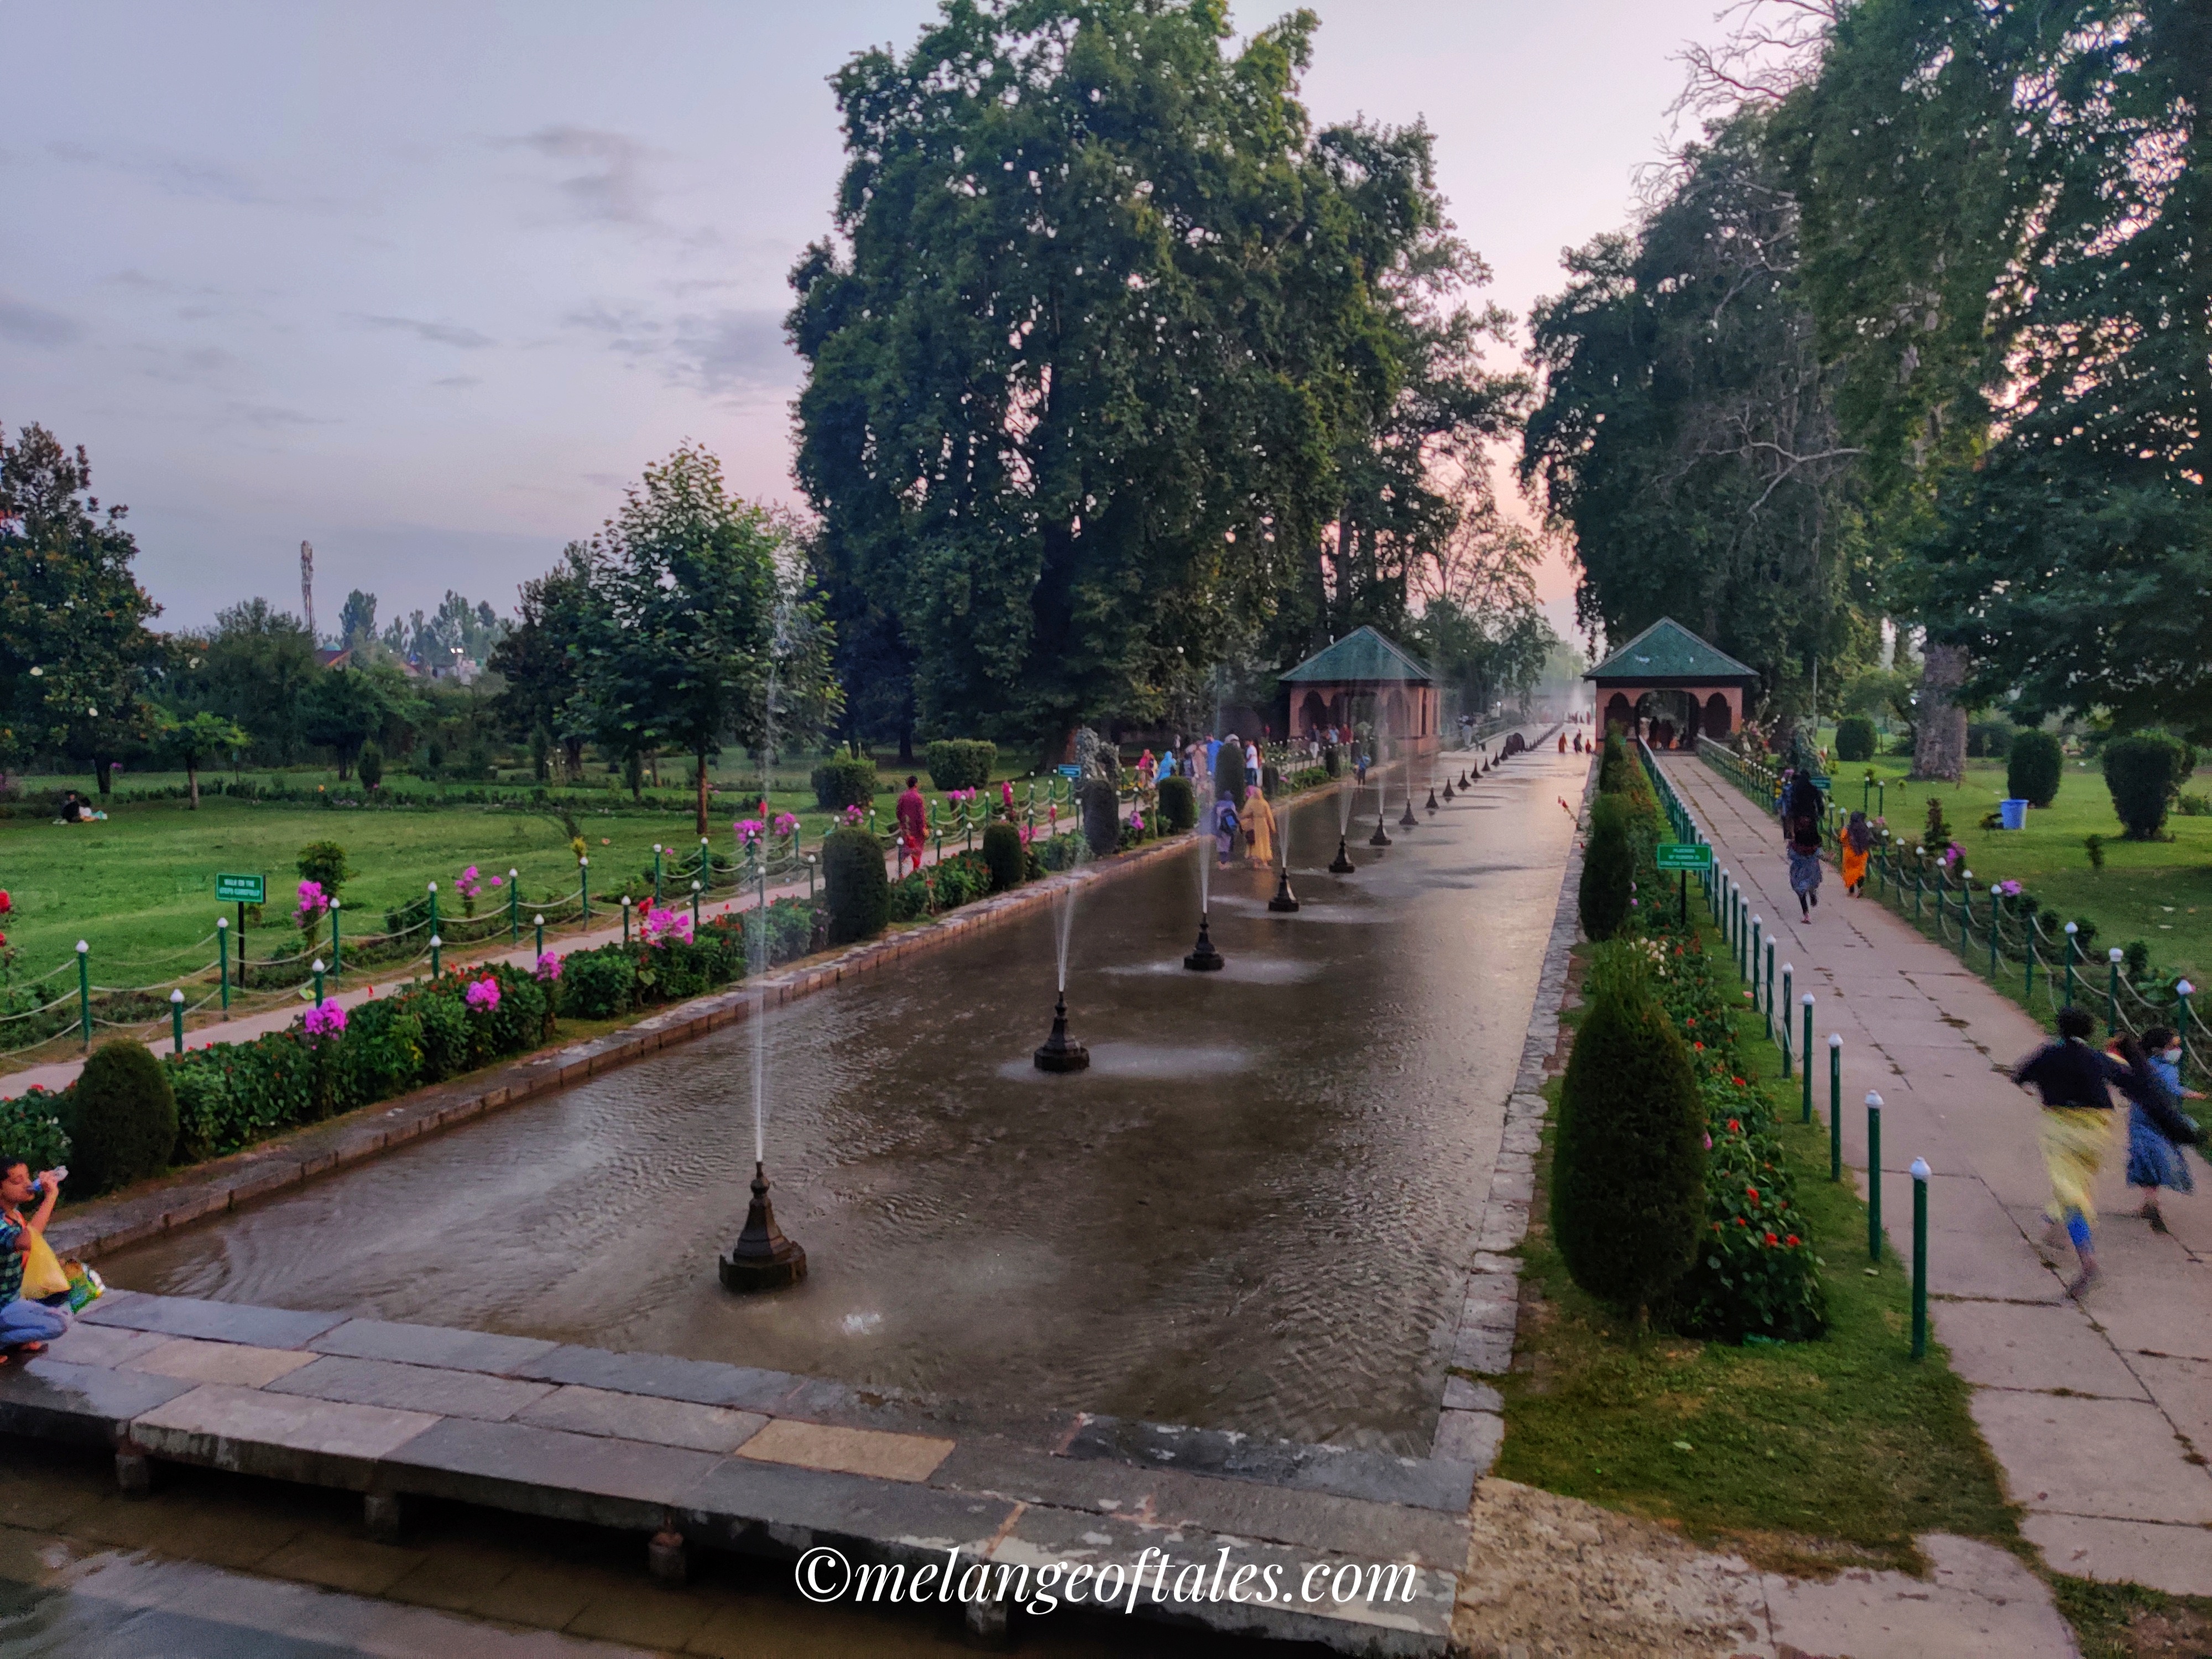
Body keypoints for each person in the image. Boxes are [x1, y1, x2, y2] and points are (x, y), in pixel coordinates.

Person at [2015, 1005, 2128, 1295]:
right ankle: (2052, 1229)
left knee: (2070, 1191)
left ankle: (2088, 1262)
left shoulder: (2050, 1054)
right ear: (2090, 1032)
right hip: (2098, 1131)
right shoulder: (2097, 1058)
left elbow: (2019, 1076)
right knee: (2079, 1181)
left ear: (2060, 1028)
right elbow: (2125, 1076)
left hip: (2062, 1130)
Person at [2128, 1026, 2203, 1232]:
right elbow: (2168, 1088)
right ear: (2159, 1049)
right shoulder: (2169, 1069)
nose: (2177, 1050)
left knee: (2144, 1157)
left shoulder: (2144, 1065)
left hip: (2140, 1117)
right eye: (2173, 1046)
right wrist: (2190, 1094)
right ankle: (2151, 1201)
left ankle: (2149, 1200)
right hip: (2161, 1119)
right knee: (2159, 1155)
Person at [0, 1157, 66, 1359]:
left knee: (67, 1294)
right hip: (4, 1303)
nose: (29, 1184)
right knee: (59, 1323)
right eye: (17, 1181)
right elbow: (26, 1242)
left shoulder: (14, 1215)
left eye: (28, 1177)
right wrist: (50, 1197)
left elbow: (26, 1254)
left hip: (14, 1295)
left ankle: (15, 1337)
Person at [1782, 774, 1824, 920]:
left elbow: (1789, 813)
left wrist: (1790, 835)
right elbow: (1821, 807)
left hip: (1800, 847)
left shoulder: (1795, 792)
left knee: (1799, 883)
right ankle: (1812, 893)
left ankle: (1806, 914)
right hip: (1812, 842)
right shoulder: (1813, 790)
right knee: (1812, 875)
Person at [895, 775, 927, 872]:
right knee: (917, 850)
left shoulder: (903, 797)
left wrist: (902, 822)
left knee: (904, 849)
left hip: (906, 828)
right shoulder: (918, 798)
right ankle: (915, 871)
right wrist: (923, 828)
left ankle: (901, 872)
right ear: (916, 784)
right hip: (916, 829)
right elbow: (920, 815)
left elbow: (898, 811)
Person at [1241, 782, 1276, 867]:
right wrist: (1273, 827)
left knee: (1255, 842)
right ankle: (1264, 862)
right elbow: (1270, 817)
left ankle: (1256, 863)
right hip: (1263, 824)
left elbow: (1244, 814)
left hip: (1254, 824)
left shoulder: (1251, 802)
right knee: (1264, 842)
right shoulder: (1265, 804)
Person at [1840, 810, 1873, 896]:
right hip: (1862, 854)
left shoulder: (1847, 828)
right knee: (1860, 871)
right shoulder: (1865, 828)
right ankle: (1860, 887)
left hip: (1850, 853)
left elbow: (1842, 839)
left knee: (1850, 871)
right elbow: (1869, 840)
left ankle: (1851, 891)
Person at [1212, 791, 1241, 865]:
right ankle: (1225, 861)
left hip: (1219, 826)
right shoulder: (1231, 804)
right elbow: (1233, 816)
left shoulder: (1217, 804)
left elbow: (1214, 816)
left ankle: (1222, 860)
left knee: (1220, 842)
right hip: (1228, 826)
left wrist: (1214, 828)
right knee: (1227, 842)